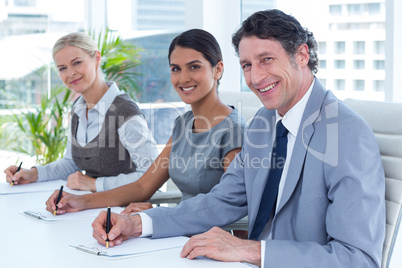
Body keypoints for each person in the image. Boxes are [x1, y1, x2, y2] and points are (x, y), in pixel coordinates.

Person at [91, 9, 386, 267]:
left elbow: (357, 259)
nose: (256, 78)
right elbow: (222, 201)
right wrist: (139, 224)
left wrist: (250, 250)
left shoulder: (346, 132)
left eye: (266, 60)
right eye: (247, 65)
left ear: (302, 55)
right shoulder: (264, 122)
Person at [44, 29, 245, 216]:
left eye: (194, 67)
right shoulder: (183, 124)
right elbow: (143, 186)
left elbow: (227, 208)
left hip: (206, 241)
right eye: (176, 69)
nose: (183, 78)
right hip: (181, 234)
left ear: (218, 70)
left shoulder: (233, 132)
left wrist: (154, 217)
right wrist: (81, 202)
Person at [4, 32, 159, 192]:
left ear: (97, 58)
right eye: (62, 68)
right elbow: (71, 162)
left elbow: (152, 173)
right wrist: (32, 173)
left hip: (124, 210)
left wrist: (94, 184)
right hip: (90, 205)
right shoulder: (78, 109)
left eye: (77, 63)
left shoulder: (125, 112)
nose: (70, 73)